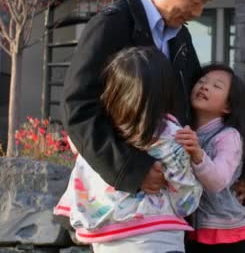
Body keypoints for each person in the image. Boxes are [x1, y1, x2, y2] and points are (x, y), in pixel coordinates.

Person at [61, 0, 222, 195]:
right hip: (113, 201)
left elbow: (195, 109)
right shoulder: (111, 25)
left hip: (170, 201)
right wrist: (132, 169)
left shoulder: (181, 38)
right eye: (196, 2)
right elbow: (78, 109)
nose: (198, 12)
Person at [54, 47, 202, 253]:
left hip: (107, 241)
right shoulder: (170, 137)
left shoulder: (94, 135)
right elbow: (185, 202)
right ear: (164, 92)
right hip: (158, 240)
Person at [179, 64, 245, 253]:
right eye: (201, 81)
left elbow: (218, 181)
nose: (205, 86)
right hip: (193, 232)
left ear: (228, 106)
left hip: (227, 238)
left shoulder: (228, 136)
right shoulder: (185, 131)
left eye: (217, 86)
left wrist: (198, 155)